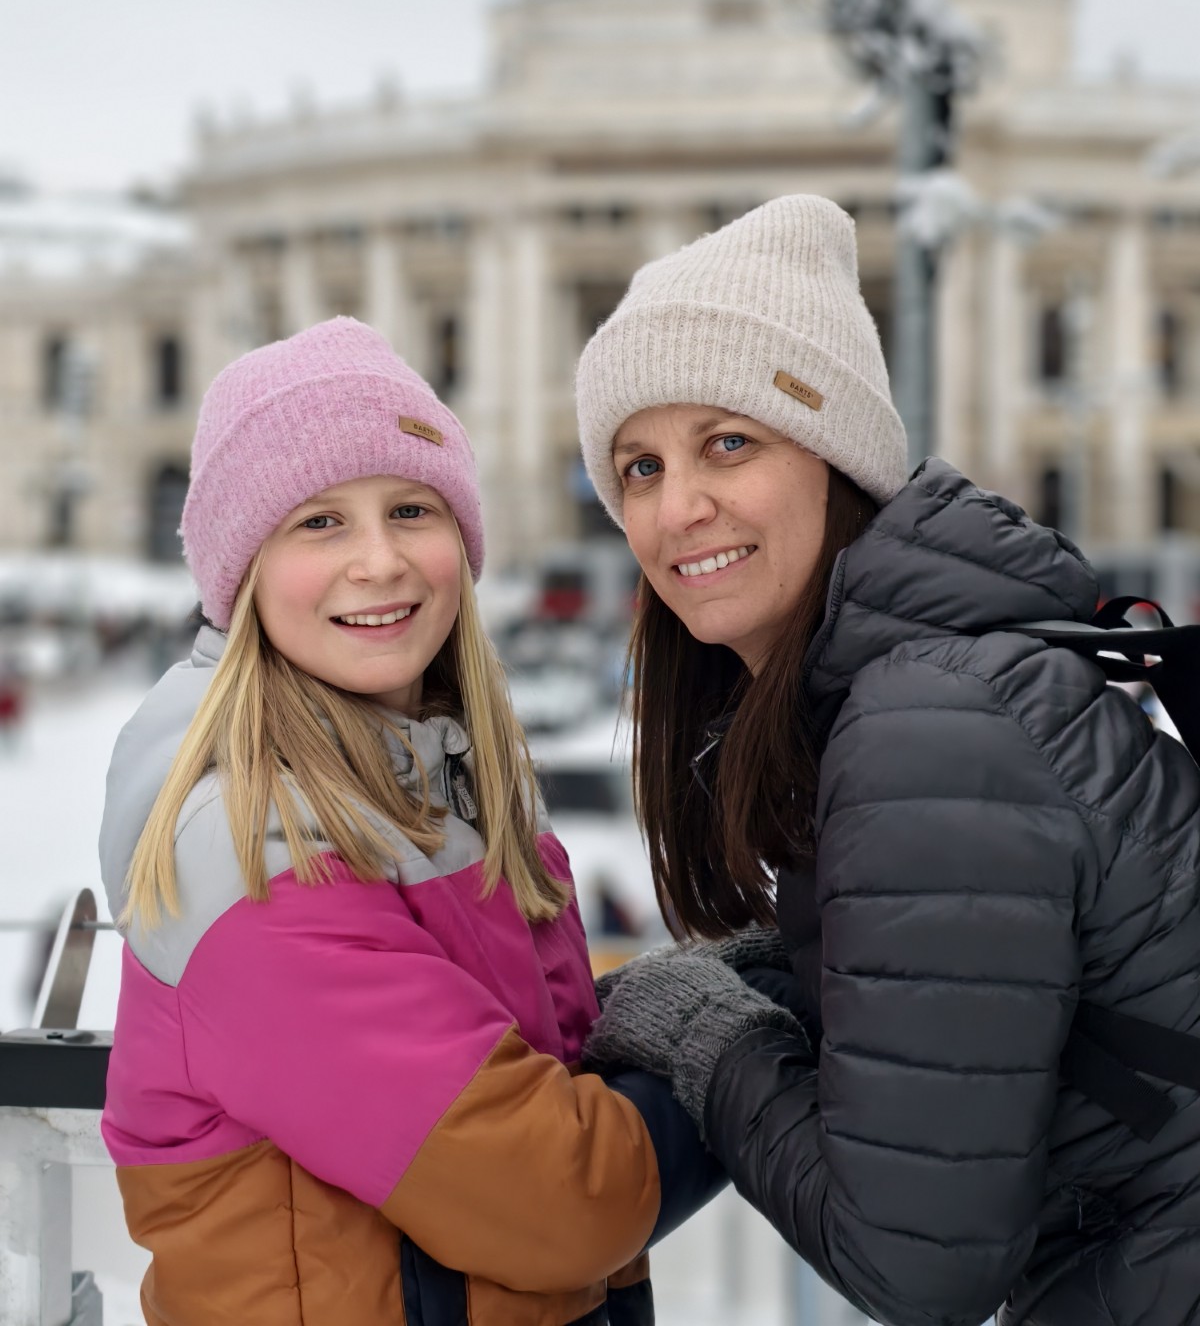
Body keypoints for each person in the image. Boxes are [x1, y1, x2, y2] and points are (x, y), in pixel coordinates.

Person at [573, 195, 1200, 1326]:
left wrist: (712, 1038)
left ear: (836, 458)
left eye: (729, 442)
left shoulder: (928, 727)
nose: (679, 507)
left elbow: (918, 1263)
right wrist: (790, 966)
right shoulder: (936, 685)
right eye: (639, 467)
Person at [99, 317, 721, 1326]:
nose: (381, 561)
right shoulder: (252, 856)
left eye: (411, 509)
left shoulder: (458, 788)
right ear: (240, 573)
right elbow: (559, 1200)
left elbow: (530, 1066)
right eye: (319, 522)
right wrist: (736, 1057)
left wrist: (679, 999)